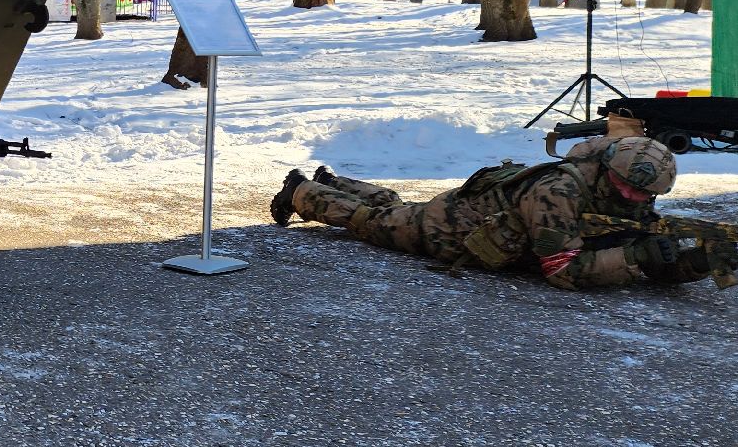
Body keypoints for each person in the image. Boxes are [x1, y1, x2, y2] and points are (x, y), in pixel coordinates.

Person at [269, 136, 710, 289]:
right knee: (373, 223)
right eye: (631, 190)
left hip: (469, 213)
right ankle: (303, 192)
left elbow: (646, 251)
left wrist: (692, 261)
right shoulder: (559, 191)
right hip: (451, 230)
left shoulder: (620, 192)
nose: (638, 201)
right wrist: (637, 258)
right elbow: (564, 271)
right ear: (610, 170)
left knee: (395, 208)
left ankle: (334, 181)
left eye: (646, 195)